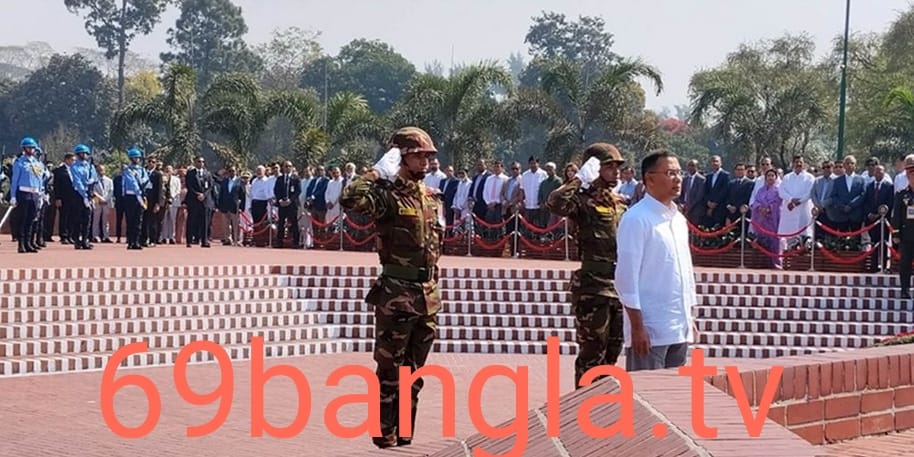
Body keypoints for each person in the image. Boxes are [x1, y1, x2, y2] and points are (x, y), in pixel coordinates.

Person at [339, 126, 443, 450]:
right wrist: (375, 173)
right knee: (389, 372)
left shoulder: (431, 197)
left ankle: (405, 434)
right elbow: (349, 199)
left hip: (427, 295)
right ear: (401, 157)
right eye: (418, 155)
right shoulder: (386, 196)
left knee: (415, 374)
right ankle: (385, 435)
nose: (425, 161)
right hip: (397, 295)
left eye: (428, 156)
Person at [545, 143, 627, 388]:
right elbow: (555, 203)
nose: (616, 171)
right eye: (609, 166)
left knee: (612, 352)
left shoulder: (620, 203)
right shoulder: (581, 201)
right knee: (592, 353)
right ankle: (584, 404)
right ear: (595, 168)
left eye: (618, 166)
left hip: (618, 286)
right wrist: (580, 179)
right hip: (593, 287)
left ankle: (603, 404)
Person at [614, 149, 697, 372]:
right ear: (649, 179)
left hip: (678, 327)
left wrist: (688, 317)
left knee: (671, 391)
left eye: (679, 173)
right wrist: (637, 327)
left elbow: (685, 271)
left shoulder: (679, 219)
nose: (678, 179)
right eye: (670, 173)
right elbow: (625, 278)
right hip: (650, 330)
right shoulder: (636, 219)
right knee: (645, 391)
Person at [9, 137, 44, 254]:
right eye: (29, 148)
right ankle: (21, 244)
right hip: (23, 193)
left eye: (33, 148)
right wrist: (13, 196)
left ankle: (28, 243)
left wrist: (41, 193)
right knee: (22, 219)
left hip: (35, 193)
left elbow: (40, 179)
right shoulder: (19, 162)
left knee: (31, 219)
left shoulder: (37, 163)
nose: (31, 150)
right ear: (24, 149)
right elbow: (14, 180)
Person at [891, 155, 914, 300]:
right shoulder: (902, 195)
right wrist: (896, 234)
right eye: (911, 175)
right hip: (907, 235)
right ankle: (905, 289)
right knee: (905, 263)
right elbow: (897, 216)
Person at [752, 169, 784, 269]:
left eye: (772, 176)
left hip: (773, 219)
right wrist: (760, 208)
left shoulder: (778, 190)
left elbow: (777, 203)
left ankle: (776, 263)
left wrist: (768, 209)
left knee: (774, 241)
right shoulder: (760, 190)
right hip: (761, 220)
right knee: (761, 240)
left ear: (776, 177)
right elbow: (756, 201)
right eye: (768, 176)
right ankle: (761, 263)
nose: (770, 178)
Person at [121, 147, 150, 250]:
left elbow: (147, 181)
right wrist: (139, 186)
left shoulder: (142, 170)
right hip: (131, 196)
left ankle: (137, 241)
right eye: (134, 158)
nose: (137, 159)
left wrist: (142, 182)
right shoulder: (127, 170)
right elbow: (132, 183)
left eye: (138, 158)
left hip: (140, 196)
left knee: (139, 220)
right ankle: (130, 241)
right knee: (130, 220)